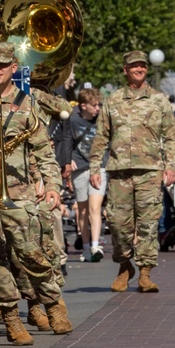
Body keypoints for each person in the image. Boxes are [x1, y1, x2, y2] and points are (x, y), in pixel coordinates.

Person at [0, 42, 72, 343]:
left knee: (31, 253)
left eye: (1, 66)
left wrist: (53, 185)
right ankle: (10, 318)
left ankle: (53, 304)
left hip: (20, 192)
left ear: (12, 68)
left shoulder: (26, 103)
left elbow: (43, 150)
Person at [88, 50, 175, 294]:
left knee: (149, 224)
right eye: (134, 66)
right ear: (125, 70)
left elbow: (171, 135)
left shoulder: (159, 100)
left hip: (150, 171)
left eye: (143, 66)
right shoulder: (113, 100)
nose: (139, 69)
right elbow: (101, 136)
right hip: (119, 172)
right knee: (118, 223)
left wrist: (171, 165)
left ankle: (145, 273)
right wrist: (94, 167)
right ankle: (125, 264)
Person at [58, 87, 107, 263]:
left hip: (99, 167)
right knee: (83, 210)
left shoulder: (102, 119)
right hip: (79, 167)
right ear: (83, 106)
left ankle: (95, 245)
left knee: (95, 207)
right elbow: (66, 140)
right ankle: (86, 247)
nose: (98, 109)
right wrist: (67, 160)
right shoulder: (72, 119)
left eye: (99, 105)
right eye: (94, 106)